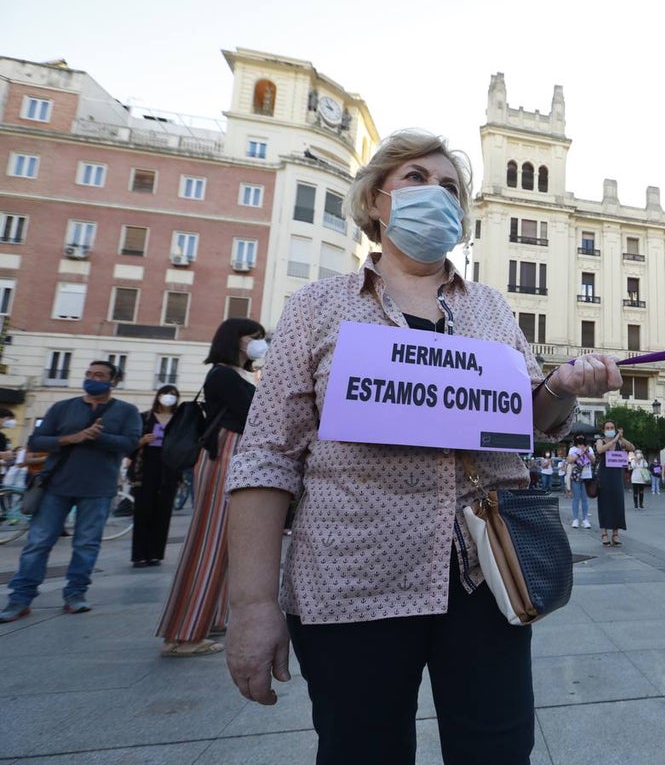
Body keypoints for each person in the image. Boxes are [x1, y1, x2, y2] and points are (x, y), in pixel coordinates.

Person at [222, 129, 622, 763]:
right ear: (376, 200)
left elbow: (529, 420)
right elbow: (267, 459)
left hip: (486, 576)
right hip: (352, 581)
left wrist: (565, 387)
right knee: (362, 750)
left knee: (497, 749)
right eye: (416, 178)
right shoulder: (315, 310)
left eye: (450, 188)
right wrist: (249, 605)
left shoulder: (493, 310)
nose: (435, 194)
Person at [156, 317, 267, 657]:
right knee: (210, 542)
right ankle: (184, 633)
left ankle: (211, 618)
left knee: (228, 542)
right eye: (254, 337)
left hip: (233, 456)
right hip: (226, 456)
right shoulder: (222, 374)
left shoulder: (233, 374)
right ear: (235, 340)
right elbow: (257, 413)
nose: (260, 343)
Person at [0, 361, 141, 623]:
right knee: (38, 543)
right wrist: (72, 438)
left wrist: (98, 437)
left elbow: (130, 443)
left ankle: (75, 595)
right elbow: (37, 441)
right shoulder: (63, 408)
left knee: (86, 545)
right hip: (56, 486)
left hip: (98, 488)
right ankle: (20, 598)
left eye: (99, 375)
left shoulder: (127, 411)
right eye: (89, 374)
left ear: (114, 381)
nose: (92, 379)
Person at [130, 386, 182, 567]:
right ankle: (139, 555)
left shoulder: (178, 420)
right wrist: (142, 441)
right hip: (146, 467)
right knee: (142, 511)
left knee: (163, 511)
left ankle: (155, 554)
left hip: (169, 468)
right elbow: (130, 444)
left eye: (174, 395)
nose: (169, 398)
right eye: (166, 394)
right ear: (158, 396)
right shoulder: (144, 417)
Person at [596, 421, 635, 546]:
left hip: (617, 476)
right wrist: (613, 441)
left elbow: (632, 448)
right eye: (607, 428)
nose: (609, 429)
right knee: (604, 504)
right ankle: (604, 533)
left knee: (617, 503)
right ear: (603, 430)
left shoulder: (619, 441)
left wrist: (621, 437)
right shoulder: (600, 441)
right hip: (604, 477)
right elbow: (600, 450)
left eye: (612, 428)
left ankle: (616, 534)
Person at [567, 435, 594, 528]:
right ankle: (575, 519)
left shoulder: (589, 448)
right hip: (576, 476)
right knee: (576, 498)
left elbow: (593, 460)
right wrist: (579, 453)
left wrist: (587, 453)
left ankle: (585, 519)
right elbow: (569, 460)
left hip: (586, 476)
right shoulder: (572, 449)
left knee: (585, 499)